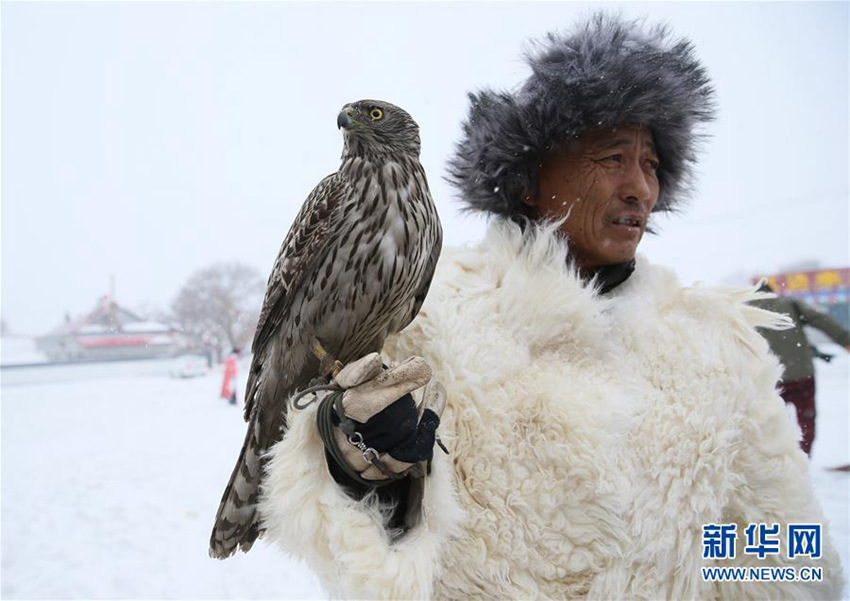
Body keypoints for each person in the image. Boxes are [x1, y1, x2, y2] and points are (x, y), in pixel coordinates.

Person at [256, 14, 844, 599]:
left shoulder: (715, 346)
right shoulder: (430, 317)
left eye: (652, 165)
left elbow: (790, 559)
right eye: (613, 157)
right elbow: (370, 550)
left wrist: (701, 569)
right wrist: (355, 458)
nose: (640, 187)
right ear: (530, 178)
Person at [751, 283, 850, 456]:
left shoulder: (749, 313)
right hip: (802, 376)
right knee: (806, 421)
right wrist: (845, 340)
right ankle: (804, 457)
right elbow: (823, 321)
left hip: (769, 380)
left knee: (770, 424)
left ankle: (776, 460)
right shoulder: (791, 305)